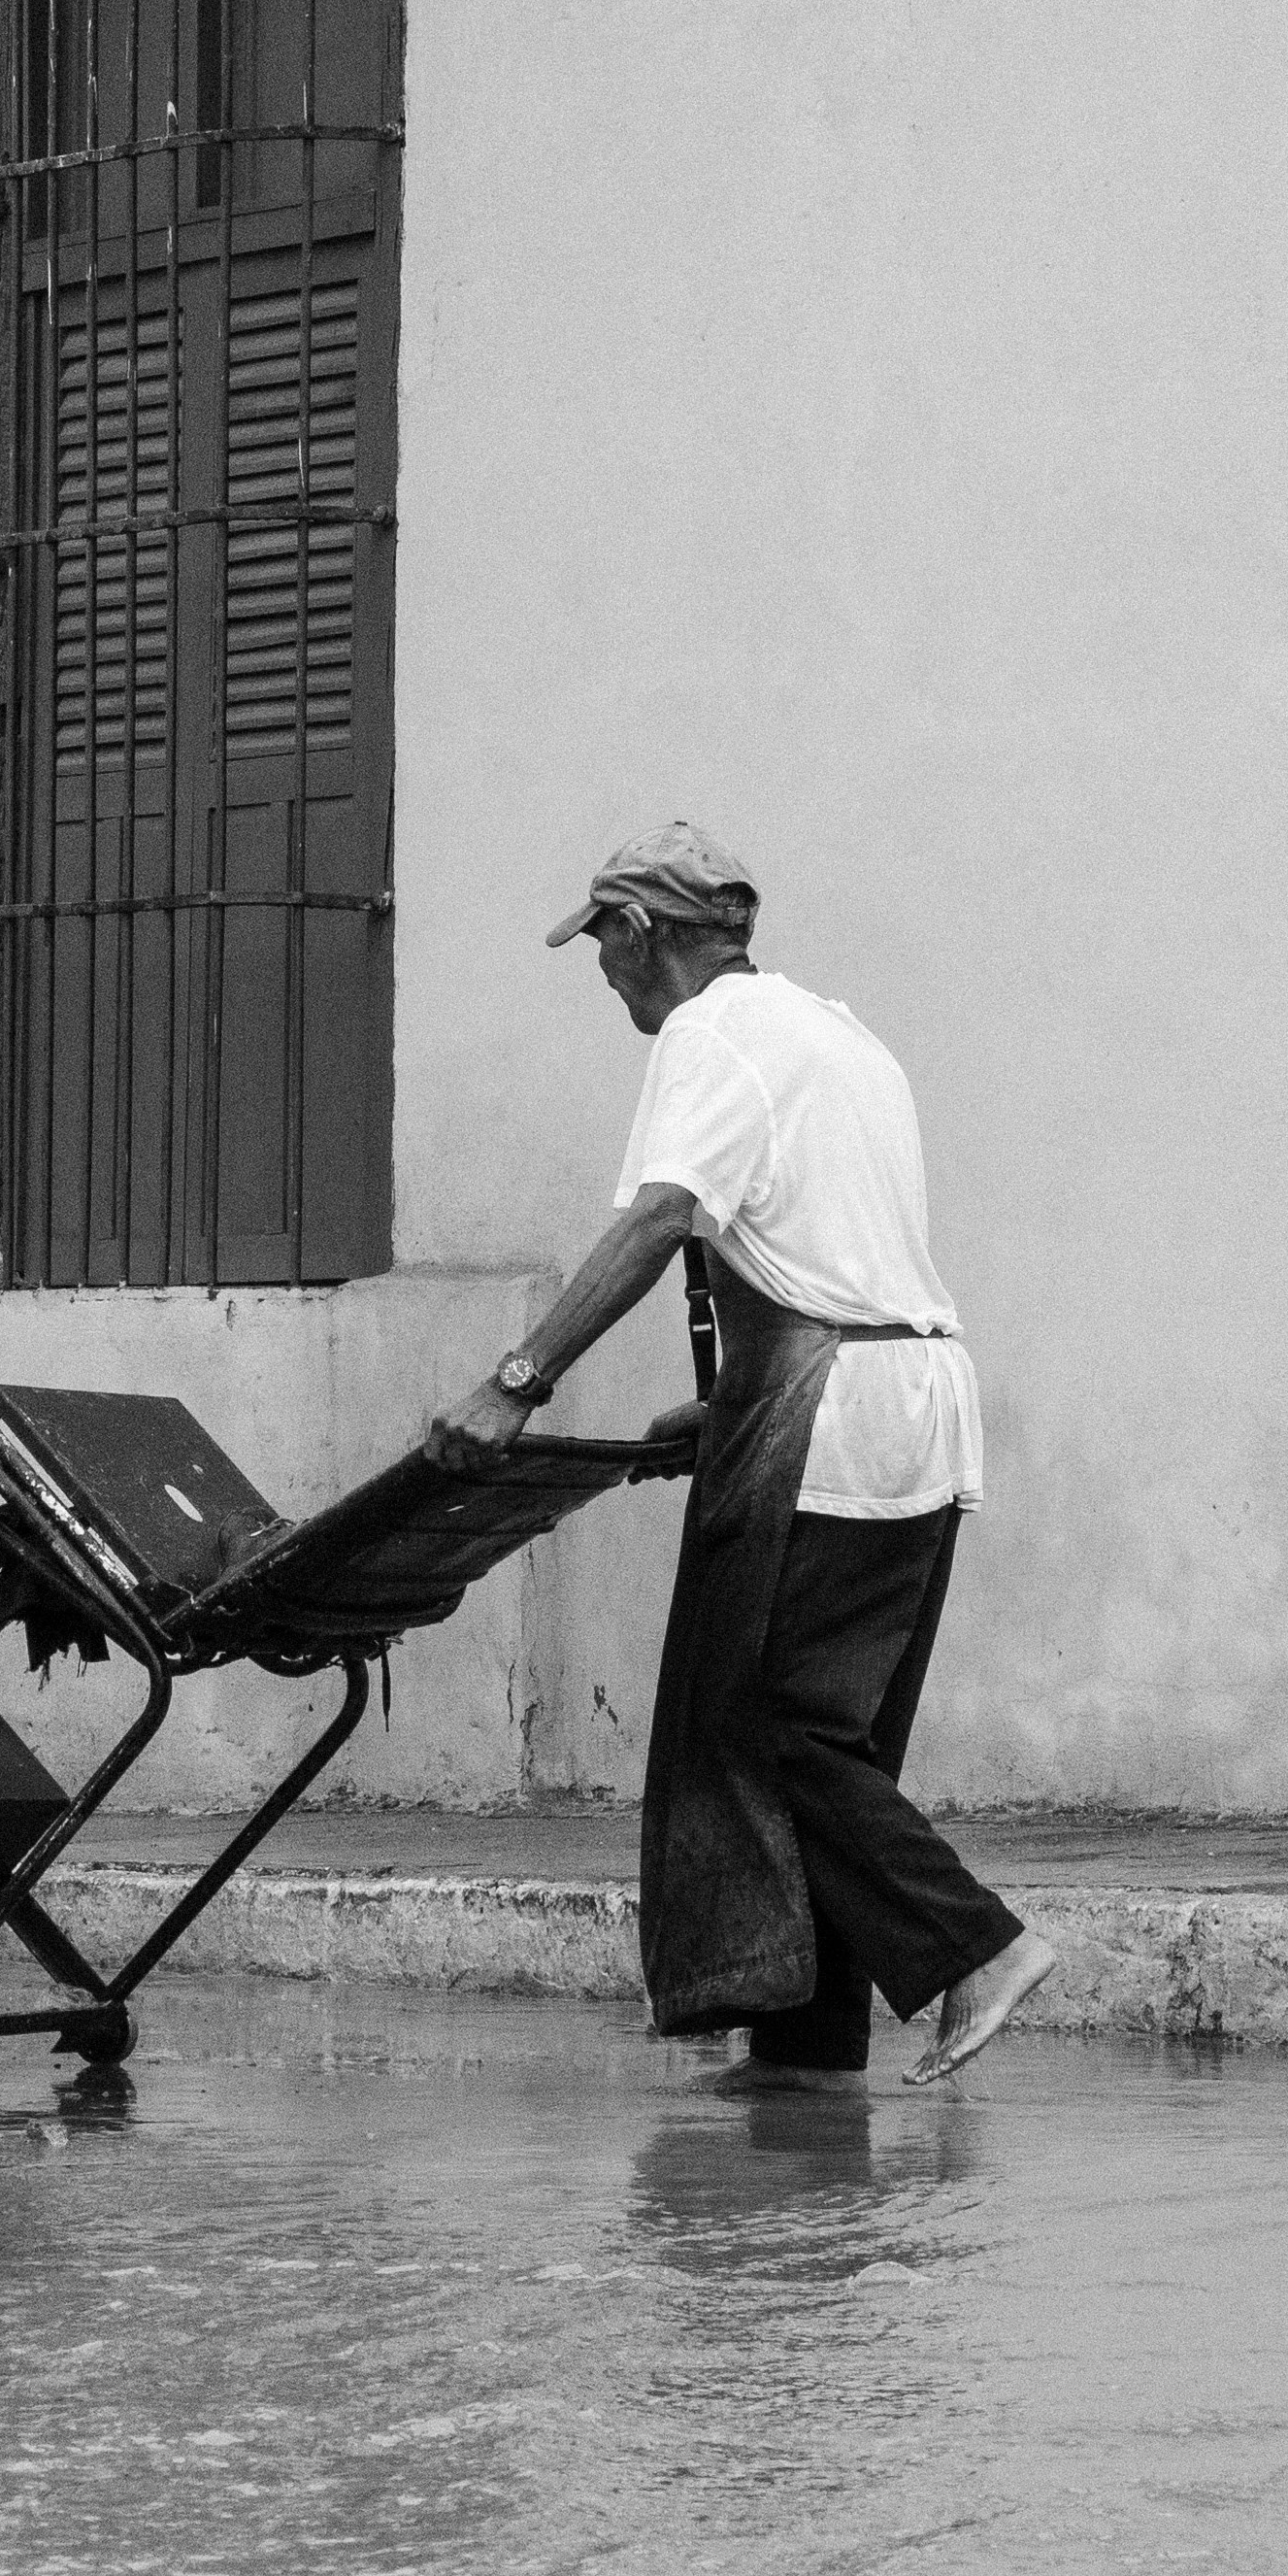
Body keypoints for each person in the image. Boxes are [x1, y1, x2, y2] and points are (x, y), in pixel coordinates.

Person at [424, 821, 1054, 2087]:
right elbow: (839, 1256)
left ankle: (973, 1947)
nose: (600, 968)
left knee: (760, 1731)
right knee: (832, 1737)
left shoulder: (710, 1035)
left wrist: (516, 1382)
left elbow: (666, 1216)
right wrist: (724, 1414)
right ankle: (806, 2050)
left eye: (601, 938)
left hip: (831, 1412)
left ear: (644, 930)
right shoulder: (837, 1032)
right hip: (908, 1392)